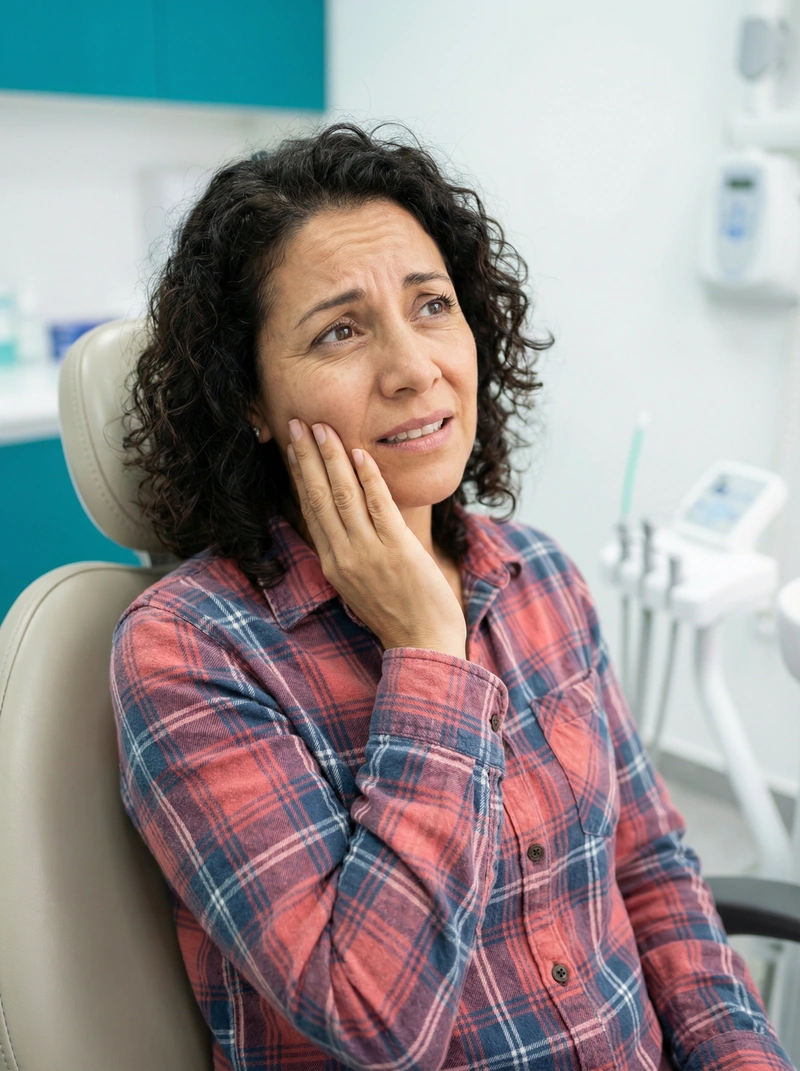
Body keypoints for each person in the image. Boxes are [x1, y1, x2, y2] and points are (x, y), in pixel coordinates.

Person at [111, 123, 793, 1071]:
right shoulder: (191, 650)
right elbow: (372, 1020)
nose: (413, 368)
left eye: (432, 306)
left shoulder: (539, 576)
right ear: (253, 402)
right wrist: (429, 655)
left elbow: (650, 871)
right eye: (340, 330)